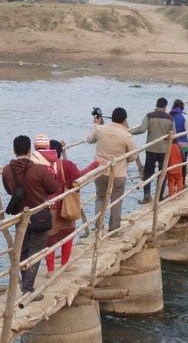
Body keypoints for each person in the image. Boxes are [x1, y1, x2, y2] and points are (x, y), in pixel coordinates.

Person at [2, 135, 59, 299]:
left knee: (23, 250)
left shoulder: (7, 170)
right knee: (36, 252)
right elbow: (53, 187)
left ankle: (25, 284)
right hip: (39, 216)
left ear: (14, 150)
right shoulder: (39, 169)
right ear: (29, 151)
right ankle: (28, 288)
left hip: (20, 216)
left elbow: (8, 190)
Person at [45, 139, 99, 277]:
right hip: (65, 205)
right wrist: (95, 164)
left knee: (49, 239)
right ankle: (65, 264)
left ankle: (50, 269)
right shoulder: (66, 165)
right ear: (59, 152)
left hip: (49, 206)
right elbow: (80, 176)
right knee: (67, 234)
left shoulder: (42, 167)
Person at [87, 107, 137, 238]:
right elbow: (133, 157)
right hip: (118, 174)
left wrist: (95, 125)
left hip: (100, 171)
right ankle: (114, 230)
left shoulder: (100, 129)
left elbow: (89, 140)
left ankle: (98, 228)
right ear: (124, 120)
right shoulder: (126, 135)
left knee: (100, 198)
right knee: (116, 200)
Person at [131, 97, 173, 204]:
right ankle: (159, 196)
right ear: (165, 106)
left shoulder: (149, 115)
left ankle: (147, 195)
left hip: (151, 149)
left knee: (148, 172)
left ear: (156, 105)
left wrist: (130, 132)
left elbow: (141, 129)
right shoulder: (170, 118)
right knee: (162, 173)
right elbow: (173, 134)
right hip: (164, 150)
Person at [169, 99, 188, 185]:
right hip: (183, 143)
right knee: (183, 163)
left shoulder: (169, 115)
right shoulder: (185, 116)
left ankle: (172, 184)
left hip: (171, 144)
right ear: (182, 107)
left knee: (171, 164)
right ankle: (182, 183)